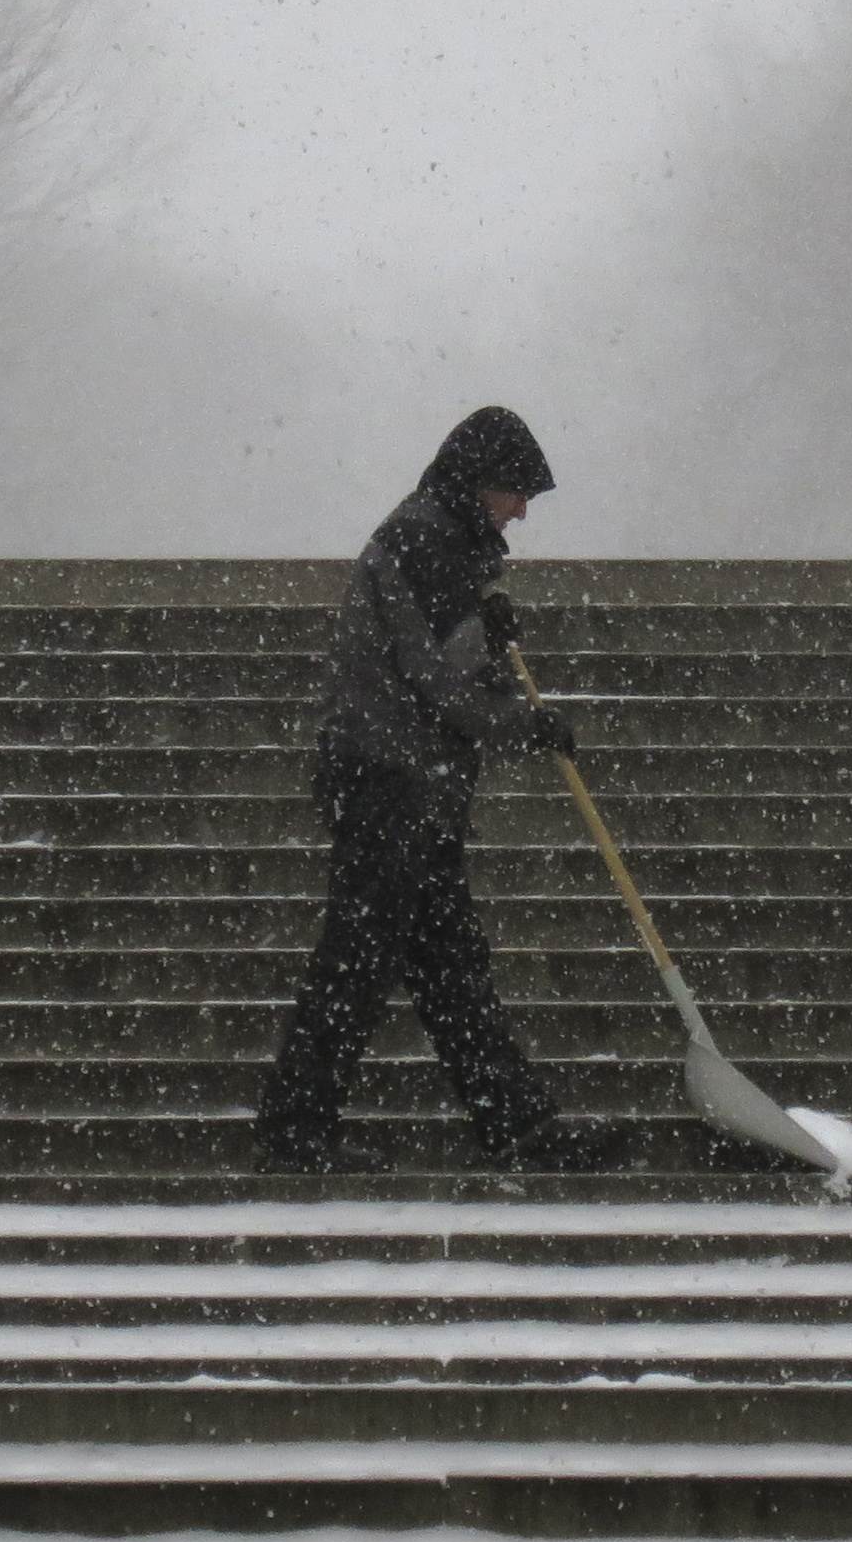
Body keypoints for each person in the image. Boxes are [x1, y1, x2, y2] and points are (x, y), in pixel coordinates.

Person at [253, 407, 628, 1174]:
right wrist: (525, 724)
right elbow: (434, 684)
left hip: (410, 785)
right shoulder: (427, 541)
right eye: (517, 493)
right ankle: (298, 1131)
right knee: (360, 964)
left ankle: (512, 1124)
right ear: (478, 484)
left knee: (448, 967)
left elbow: (440, 666)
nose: (522, 510)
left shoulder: (447, 542)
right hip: (393, 783)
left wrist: (486, 644)